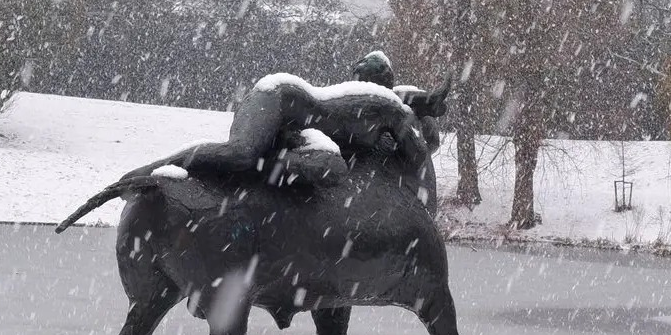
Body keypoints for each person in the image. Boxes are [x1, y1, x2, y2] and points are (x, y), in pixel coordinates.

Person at [56, 72, 428, 231]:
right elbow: (418, 155)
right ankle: (148, 171)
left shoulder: (373, 104)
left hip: (295, 128)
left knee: (330, 168)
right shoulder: (397, 113)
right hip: (278, 100)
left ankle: (264, 167)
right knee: (241, 156)